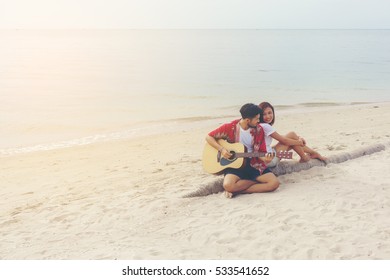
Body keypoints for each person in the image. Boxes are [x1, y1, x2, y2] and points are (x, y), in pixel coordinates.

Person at [205, 103, 280, 198]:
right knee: (228, 185)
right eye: (257, 119)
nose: (259, 121)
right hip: (235, 165)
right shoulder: (230, 127)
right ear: (248, 120)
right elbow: (209, 137)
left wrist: (266, 159)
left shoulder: (259, 130)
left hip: (254, 163)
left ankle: (239, 190)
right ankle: (253, 182)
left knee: (274, 183)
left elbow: (261, 152)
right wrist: (222, 149)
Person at [259, 101, 327, 167]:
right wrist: (299, 142)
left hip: (265, 155)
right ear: (259, 116)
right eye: (264, 114)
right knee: (292, 135)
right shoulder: (265, 126)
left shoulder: (259, 126)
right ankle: (305, 157)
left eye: (269, 113)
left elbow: (280, 137)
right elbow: (284, 141)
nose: (268, 116)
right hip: (270, 160)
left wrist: (297, 139)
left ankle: (313, 154)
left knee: (292, 139)